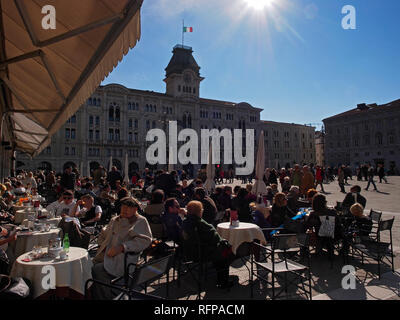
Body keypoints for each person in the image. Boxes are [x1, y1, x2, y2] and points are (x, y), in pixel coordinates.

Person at [91, 197, 152, 300]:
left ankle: (108, 297)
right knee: (87, 266)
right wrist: (102, 244)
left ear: (135, 209)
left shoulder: (140, 221)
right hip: (106, 254)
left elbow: (145, 240)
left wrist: (123, 247)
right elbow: (104, 234)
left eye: (129, 207)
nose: (125, 210)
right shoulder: (115, 219)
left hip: (124, 259)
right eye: (123, 207)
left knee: (97, 270)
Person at [182, 201, 237, 289]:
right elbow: (216, 239)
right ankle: (223, 281)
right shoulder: (202, 224)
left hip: (189, 253)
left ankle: (219, 275)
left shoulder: (185, 222)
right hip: (203, 254)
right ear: (200, 211)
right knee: (227, 251)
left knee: (221, 250)